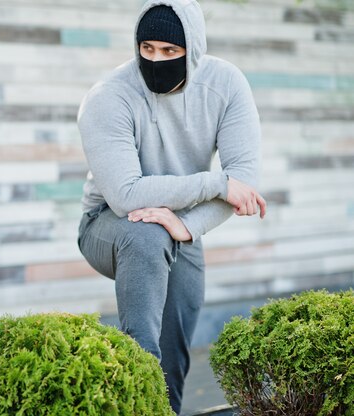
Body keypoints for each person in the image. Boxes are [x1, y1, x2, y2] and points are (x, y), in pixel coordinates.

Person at [76, 0, 266, 413]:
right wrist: (216, 183)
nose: (157, 59)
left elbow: (245, 182)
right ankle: (137, 396)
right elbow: (126, 195)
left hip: (181, 227)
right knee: (146, 236)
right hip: (110, 224)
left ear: (192, 48)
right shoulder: (108, 97)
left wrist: (188, 228)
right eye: (148, 48)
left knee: (175, 353)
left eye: (169, 51)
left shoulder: (226, 85)